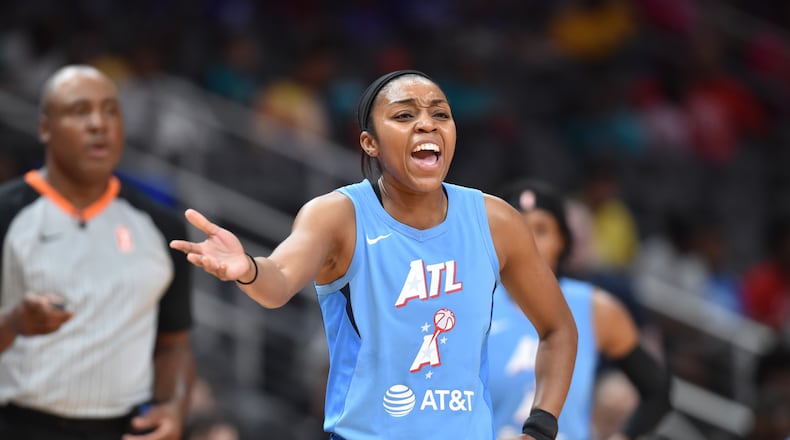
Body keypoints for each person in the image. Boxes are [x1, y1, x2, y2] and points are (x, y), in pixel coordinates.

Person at [170, 70, 578, 440]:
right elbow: (278, 280)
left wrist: (540, 428)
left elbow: (558, 328)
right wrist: (248, 269)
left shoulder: (495, 221)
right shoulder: (338, 215)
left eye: (440, 114)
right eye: (403, 116)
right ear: (370, 142)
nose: (426, 124)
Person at [0, 64, 195, 440]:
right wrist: (13, 323)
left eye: (110, 111)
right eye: (79, 111)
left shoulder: (161, 225)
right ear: (44, 127)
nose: (98, 124)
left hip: (122, 428)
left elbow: (174, 345)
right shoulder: (7, 214)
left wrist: (173, 409)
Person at [487, 179, 671, 440]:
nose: (527, 241)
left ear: (563, 240)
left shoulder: (595, 307)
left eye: (541, 230)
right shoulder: (474, 300)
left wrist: (625, 435)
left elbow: (657, 389)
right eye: (517, 229)